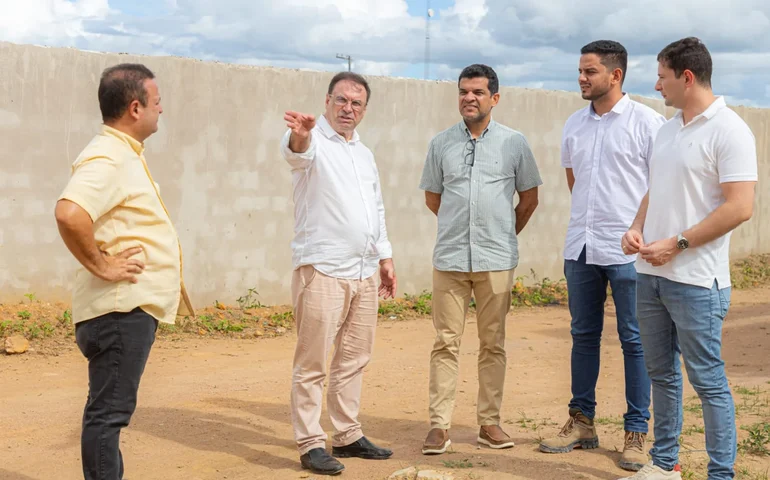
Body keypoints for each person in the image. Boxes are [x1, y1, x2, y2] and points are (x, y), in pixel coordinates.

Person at [620, 37, 758, 480]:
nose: (656, 86)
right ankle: (665, 466)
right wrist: (638, 226)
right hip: (650, 274)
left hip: (697, 280)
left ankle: (721, 474)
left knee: (708, 383)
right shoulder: (668, 128)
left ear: (687, 77)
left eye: (661, 77)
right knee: (661, 375)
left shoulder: (730, 130)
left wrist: (677, 243)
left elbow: (740, 207)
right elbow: (655, 188)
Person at [54, 63, 194, 480]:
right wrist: (102, 264)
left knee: (108, 413)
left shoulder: (121, 152)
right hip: (119, 311)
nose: (161, 110)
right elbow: (69, 213)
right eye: (157, 101)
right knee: (108, 416)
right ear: (136, 107)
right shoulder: (109, 156)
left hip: (124, 310)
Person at [538, 40, 665, 472]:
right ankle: (581, 421)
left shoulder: (649, 122)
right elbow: (577, 182)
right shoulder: (574, 124)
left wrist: (637, 230)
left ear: (615, 75)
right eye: (580, 70)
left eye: (589, 71)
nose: (581, 78)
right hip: (582, 247)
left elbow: (659, 185)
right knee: (583, 335)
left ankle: (636, 431)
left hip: (630, 250)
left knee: (635, 339)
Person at [418, 64, 542, 455]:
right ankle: (439, 426)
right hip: (450, 259)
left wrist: (501, 233)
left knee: (493, 343)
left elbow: (529, 198)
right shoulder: (441, 144)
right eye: (462, 92)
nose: (468, 98)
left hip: (496, 260)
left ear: (495, 98)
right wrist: (464, 229)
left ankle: (489, 423)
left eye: (476, 92)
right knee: (445, 342)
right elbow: (433, 197)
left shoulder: (515, 143)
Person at [280, 71, 397, 476]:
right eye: (342, 100)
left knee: (354, 358)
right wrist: (301, 134)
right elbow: (296, 153)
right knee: (312, 361)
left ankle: (347, 435)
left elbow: (376, 209)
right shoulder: (313, 142)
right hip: (323, 269)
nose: (348, 109)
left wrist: (385, 256)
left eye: (357, 103)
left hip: (364, 270)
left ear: (364, 109)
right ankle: (311, 442)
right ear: (327, 101)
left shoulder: (364, 153)